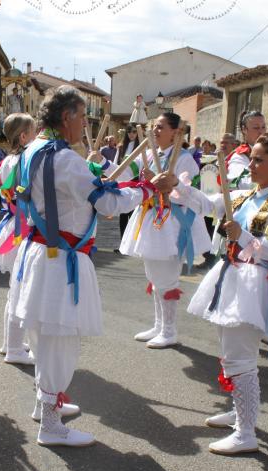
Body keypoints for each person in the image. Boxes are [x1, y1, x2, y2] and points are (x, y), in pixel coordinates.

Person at [10, 85, 176, 446]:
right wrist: (149, 189)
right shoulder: (64, 159)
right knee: (60, 340)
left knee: (45, 336)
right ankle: (51, 426)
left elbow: (74, 191)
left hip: (39, 255)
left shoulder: (32, 149)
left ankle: (45, 405)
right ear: (66, 116)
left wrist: (99, 176)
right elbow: (108, 204)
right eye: (83, 116)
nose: (86, 123)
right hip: (59, 260)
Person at [185, 133, 268, 454]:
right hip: (233, 278)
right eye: (251, 158)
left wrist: (243, 235)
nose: (250, 165)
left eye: (258, 160)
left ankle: (245, 431)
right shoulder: (245, 194)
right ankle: (239, 412)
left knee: (242, 357)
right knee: (229, 351)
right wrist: (180, 188)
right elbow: (207, 203)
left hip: (255, 285)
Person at [108, 112, 210, 349]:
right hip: (152, 218)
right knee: (154, 275)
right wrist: (101, 163)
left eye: (161, 127)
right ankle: (158, 325)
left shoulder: (184, 159)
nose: (155, 130)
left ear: (176, 132)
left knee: (166, 277)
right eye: (154, 126)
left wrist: (164, 183)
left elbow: (188, 194)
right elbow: (124, 172)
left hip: (172, 223)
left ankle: (169, 330)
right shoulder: (152, 154)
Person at [0, 113, 36, 365]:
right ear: (24, 136)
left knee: (15, 288)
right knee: (20, 289)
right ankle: (14, 348)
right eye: (34, 132)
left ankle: (10, 342)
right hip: (23, 227)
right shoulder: (25, 162)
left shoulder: (6, 161)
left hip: (14, 224)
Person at [115, 127, 141, 243]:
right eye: (129, 131)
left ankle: (132, 242)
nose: (131, 134)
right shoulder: (121, 147)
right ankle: (122, 242)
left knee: (134, 213)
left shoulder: (141, 147)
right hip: (123, 182)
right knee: (123, 212)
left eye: (134, 132)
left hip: (136, 181)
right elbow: (116, 163)